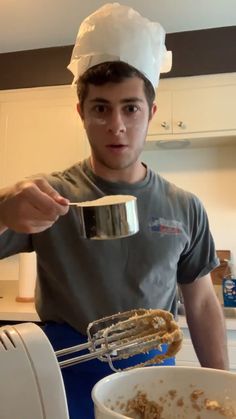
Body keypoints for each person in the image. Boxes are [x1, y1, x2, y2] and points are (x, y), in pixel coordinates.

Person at [0, 3, 229, 419]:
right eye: (101, 108)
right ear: (82, 114)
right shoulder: (47, 197)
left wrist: (223, 392)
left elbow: (200, 305)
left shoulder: (184, 206)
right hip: (63, 378)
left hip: (154, 378)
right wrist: (1, 209)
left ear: (151, 113)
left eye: (130, 107)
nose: (116, 125)